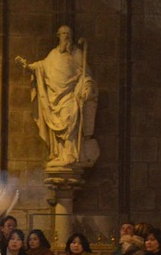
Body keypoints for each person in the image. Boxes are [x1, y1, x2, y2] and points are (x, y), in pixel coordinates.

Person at [15, 26, 99, 169]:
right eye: (63, 34)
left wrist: (87, 88)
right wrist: (27, 66)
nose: (66, 36)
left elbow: (87, 76)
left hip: (71, 98)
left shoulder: (77, 54)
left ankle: (71, 155)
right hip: (55, 99)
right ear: (58, 36)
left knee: (70, 120)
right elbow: (40, 67)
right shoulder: (53, 55)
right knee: (59, 125)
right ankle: (60, 154)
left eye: (68, 34)